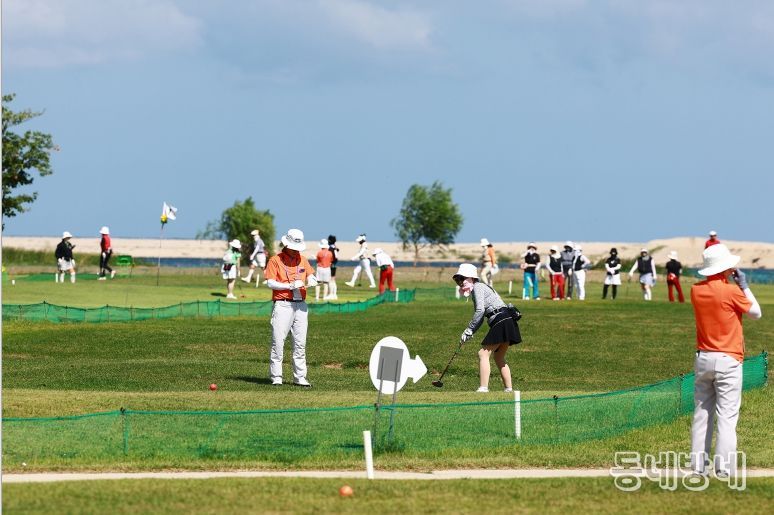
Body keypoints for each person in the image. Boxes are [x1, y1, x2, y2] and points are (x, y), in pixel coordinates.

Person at [690, 244, 762, 478]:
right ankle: (723, 469)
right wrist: (744, 286)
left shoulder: (696, 290)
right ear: (725, 268)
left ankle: (698, 467)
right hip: (728, 359)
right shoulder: (731, 292)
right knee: (727, 417)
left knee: (702, 414)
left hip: (703, 357)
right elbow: (756, 312)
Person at [453, 263, 521, 393]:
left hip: (501, 319)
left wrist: (469, 329)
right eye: (458, 279)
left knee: (483, 354)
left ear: (472, 278)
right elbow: (480, 315)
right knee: (499, 356)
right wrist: (470, 331)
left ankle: (483, 388)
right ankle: (509, 390)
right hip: (506, 319)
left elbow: (479, 311)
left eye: (463, 278)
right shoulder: (477, 289)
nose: (460, 282)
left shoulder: (478, 287)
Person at [264, 229, 319, 387]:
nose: (296, 251)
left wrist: (313, 279)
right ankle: (276, 376)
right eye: (294, 247)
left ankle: (300, 377)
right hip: (283, 304)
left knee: (300, 343)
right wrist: (289, 285)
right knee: (278, 342)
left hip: (301, 304)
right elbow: (270, 282)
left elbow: (310, 275)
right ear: (286, 245)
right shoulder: (275, 260)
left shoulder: (303, 260)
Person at [327, 235, 340, 300]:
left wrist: (331, 263)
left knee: (330, 280)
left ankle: (331, 294)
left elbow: (335, 257)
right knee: (333, 280)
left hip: (331, 265)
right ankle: (334, 294)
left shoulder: (330, 248)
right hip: (334, 265)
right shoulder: (335, 248)